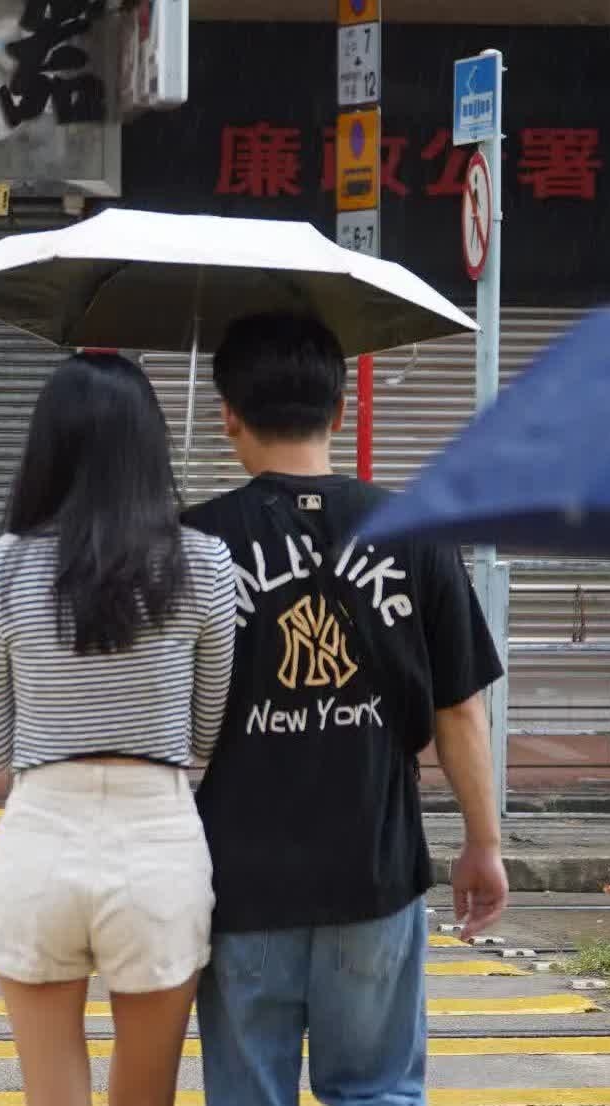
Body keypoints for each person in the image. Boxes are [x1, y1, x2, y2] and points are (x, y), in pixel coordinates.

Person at [181, 312, 508, 1106]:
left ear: (227, 413)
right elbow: (459, 710)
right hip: (375, 872)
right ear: (339, 412)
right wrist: (482, 845)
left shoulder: (194, 540)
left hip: (239, 883)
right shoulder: (417, 533)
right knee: (375, 1092)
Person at [0, 353, 237, 1106]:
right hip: (159, 840)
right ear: (149, 445)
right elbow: (205, 734)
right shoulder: (206, 566)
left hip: (39, 837)